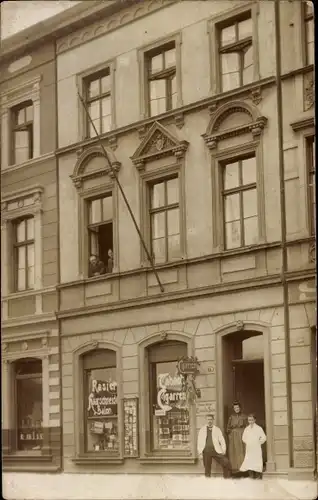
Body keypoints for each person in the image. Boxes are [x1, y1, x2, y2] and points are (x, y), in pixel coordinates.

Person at [197, 414, 232, 478]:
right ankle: (208, 483)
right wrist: (200, 453)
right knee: (207, 468)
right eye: (208, 419)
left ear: (213, 420)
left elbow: (222, 440)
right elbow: (199, 441)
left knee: (226, 462)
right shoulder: (202, 429)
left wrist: (223, 450)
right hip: (206, 451)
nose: (209, 421)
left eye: (210, 419)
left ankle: (227, 480)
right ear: (206, 420)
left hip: (216, 450)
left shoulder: (217, 429)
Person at [240, 414, 267, 479]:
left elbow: (264, 437)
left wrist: (258, 442)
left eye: (252, 420)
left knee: (257, 462)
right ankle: (251, 476)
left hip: (256, 448)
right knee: (249, 462)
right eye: (249, 420)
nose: (250, 421)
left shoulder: (259, 428)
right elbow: (243, 438)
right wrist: (248, 442)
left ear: (255, 420)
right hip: (249, 448)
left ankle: (258, 477)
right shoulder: (247, 429)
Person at [226, 401, 248, 476]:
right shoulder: (231, 417)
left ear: (240, 408)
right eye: (235, 408)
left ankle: (244, 469)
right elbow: (228, 429)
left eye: (238, 407)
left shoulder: (244, 416)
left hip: (242, 435)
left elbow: (247, 427)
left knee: (242, 451)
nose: (236, 409)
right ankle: (235, 469)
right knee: (234, 452)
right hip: (234, 437)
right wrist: (231, 435)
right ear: (233, 409)